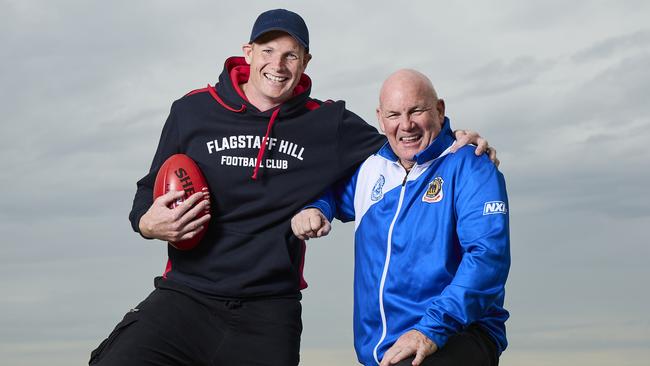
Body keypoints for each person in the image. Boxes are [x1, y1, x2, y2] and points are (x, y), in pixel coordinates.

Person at [90, 9, 498, 366]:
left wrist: (459, 143)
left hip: (268, 310)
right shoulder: (192, 110)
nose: (278, 64)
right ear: (248, 53)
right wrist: (148, 222)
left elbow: (405, 143)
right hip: (186, 296)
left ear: (305, 62)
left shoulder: (329, 124)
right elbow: (147, 191)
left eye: (290, 54)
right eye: (267, 51)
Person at [291, 69, 510, 366]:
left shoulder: (471, 167)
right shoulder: (372, 170)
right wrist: (316, 208)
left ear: (440, 110)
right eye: (394, 115)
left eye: (416, 110)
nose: (405, 125)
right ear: (380, 119)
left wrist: (430, 330)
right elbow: (334, 194)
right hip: (383, 351)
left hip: (456, 333)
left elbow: (488, 258)